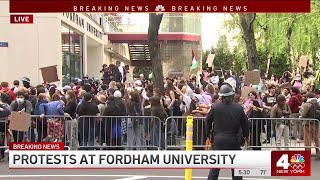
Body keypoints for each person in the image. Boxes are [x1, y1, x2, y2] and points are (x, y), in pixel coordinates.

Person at [206, 83, 249, 180]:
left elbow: (207, 121)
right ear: (232, 95)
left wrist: (208, 134)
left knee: (214, 170)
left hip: (218, 141)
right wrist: (246, 136)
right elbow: (245, 124)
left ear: (221, 96)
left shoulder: (215, 107)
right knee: (236, 170)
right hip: (234, 141)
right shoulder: (238, 108)